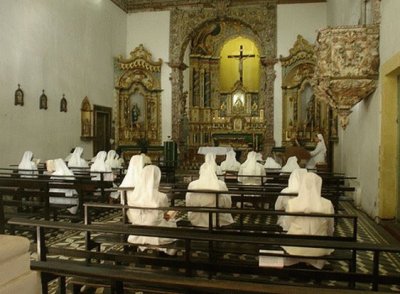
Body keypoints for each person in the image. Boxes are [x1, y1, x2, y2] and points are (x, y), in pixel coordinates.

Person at [282, 172, 335, 269]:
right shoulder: (327, 203)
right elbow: (330, 227)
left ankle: (294, 262)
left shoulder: (292, 203)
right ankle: (315, 263)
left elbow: (287, 225)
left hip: (295, 247)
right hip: (318, 247)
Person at [126, 165, 177, 255]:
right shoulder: (161, 196)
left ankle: (144, 245)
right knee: (172, 215)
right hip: (157, 231)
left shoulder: (133, 194)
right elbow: (165, 213)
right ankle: (158, 247)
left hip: (137, 232)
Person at [186, 163, 234, 228]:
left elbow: (188, 204)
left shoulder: (192, 184)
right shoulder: (221, 184)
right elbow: (228, 204)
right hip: (218, 219)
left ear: (200, 172)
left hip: (197, 219)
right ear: (214, 172)